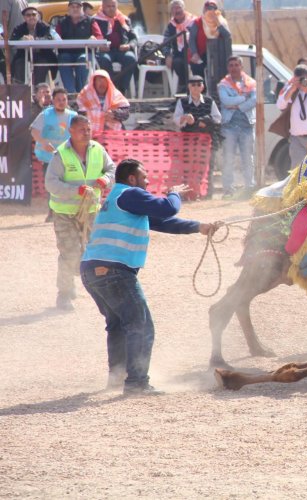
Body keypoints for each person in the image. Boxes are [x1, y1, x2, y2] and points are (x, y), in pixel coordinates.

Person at [81, 158, 219, 395]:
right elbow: (168, 208)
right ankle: (136, 383)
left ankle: (118, 378)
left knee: (118, 326)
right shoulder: (129, 193)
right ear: (132, 179)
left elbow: (163, 222)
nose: (148, 181)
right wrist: (174, 193)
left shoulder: (119, 199)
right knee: (140, 325)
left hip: (92, 270)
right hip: (115, 271)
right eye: (144, 177)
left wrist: (199, 226)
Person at [44, 115, 115, 311]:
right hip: (64, 213)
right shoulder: (61, 155)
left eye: (88, 129)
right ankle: (64, 294)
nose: (87, 133)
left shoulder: (98, 150)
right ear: (71, 132)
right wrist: (76, 191)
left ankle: (98, 289)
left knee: (94, 251)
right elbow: (51, 183)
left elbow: (111, 169)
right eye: (82, 130)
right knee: (69, 252)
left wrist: (105, 180)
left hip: (91, 211)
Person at [31, 87, 77, 222]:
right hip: (49, 157)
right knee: (52, 185)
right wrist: (43, 142)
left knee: (68, 183)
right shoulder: (45, 115)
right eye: (58, 100)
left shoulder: (73, 116)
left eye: (64, 99)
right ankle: (52, 211)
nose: (61, 102)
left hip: (67, 156)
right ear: (53, 100)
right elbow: (34, 131)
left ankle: (67, 211)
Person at [173, 74, 221, 196]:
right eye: (193, 84)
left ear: (202, 86)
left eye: (198, 84)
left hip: (206, 141)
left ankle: (207, 193)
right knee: (187, 168)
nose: (195, 87)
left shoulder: (209, 101)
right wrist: (184, 118)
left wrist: (206, 121)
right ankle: (188, 193)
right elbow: (176, 120)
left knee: (207, 167)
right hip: (188, 142)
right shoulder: (182, 102)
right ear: (189, 86)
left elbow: (218, 119)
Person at [218, 55, 257, 199]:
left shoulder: (251, 83)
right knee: (228, 158)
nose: (234, 67)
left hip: (247, 125)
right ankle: (228, 190)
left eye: (236, 65)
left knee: (248, 158)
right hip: (229, 126)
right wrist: (243, 99)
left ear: (241, 66)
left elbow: (255, 100)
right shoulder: (223, 84)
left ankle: (249, 188)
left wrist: (237, 106)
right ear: (228, 68)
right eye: (231, 65)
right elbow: (225, 100)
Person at [56, 0, 104, 93]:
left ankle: (80, 92)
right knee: (63, 59)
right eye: (73, 7)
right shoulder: (62, 22)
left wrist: (94, 38)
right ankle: (70, 92)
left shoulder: (90, 21)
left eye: (78, 7)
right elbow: (55, 36)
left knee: (83, 59)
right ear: (69, 9)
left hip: (85, 52)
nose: (75, 9)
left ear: (82, 8)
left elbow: (99, 36)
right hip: (66, 53)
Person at [187, 0, 232, 98]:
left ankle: (219, 94)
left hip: (217, 53)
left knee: (217, 73)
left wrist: (217, 22)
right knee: (197, 68)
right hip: (200, 52)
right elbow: (192, 39)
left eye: (213, 9)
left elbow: (227, 35)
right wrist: (194, 53)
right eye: (208, 9)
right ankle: (200, 94)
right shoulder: (197, 22)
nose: (210, 11)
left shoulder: (221, 21)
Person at [93, 0, 137, 94]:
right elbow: (91, 37)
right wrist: (98, 46)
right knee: (104, 60)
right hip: (105, 50)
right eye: (108, 6)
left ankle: (122, 90)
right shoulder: (95, 20)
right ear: (103, 7)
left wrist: (128, 45)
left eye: (113, 6)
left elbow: (134, 38)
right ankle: (111, 88)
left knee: (131, 58)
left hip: (122, 50)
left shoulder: (124, 19)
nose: (111, 8)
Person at [10, 6, 59, 86]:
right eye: (28, 15)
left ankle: (38, 90)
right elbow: (13, 40)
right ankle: (22, 90)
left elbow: (49, 38)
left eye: (34, 14)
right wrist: (22, 39)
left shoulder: (45, 27)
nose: (31, 17)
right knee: (19, 64)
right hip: (24, 55)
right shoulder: (19, 28)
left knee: (42, 64)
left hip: (43, 55)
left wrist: (35, 39)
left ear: (38, 16)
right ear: (24, 17)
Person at [76, 69, 130, 133]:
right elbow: (79, 115)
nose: (102, 84)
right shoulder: (85, 95)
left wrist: (114, 114)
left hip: (113, 133)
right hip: (90, 132)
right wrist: (99, 115)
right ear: (94, 82)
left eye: (104, 81)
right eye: (99, 80)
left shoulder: (115, 94)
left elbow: (126, 114)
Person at [163, 0, 196, 94]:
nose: (176, 11)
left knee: (197, 64)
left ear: (183, 9)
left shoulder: (193, 21)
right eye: (173, 8)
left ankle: (198, 87)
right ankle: (185, 85)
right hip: (179, 54)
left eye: (178, 7)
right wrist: (167, 55)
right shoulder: (171, 25)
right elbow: (166, 41)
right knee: (177, 62)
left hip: (193, 52)